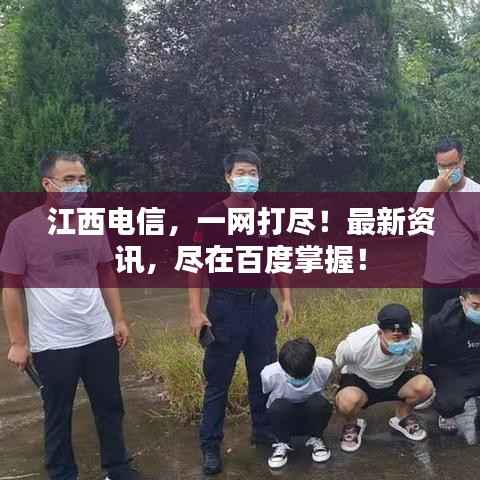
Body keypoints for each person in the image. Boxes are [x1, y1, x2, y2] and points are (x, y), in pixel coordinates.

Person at [0, 151, 142, 480]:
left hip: (98, 335)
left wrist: (118, 319)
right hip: (54, 343)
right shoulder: (22, 229)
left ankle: (117, 468)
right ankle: (62, 473)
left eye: (82, 179)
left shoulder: (92, 222)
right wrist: (18, 341)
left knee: (110, 406)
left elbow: (106, 272)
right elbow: (11, 288)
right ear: (47, 184)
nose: (78, 186)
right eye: (68, 180)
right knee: (58, 414)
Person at [188, 148, 294, 475]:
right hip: (226, 308)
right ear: (227, 177)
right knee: (218, 381)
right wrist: (195, 311)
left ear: (260, 177)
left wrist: (286, 299)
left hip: (261, 306)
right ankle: (210, 445)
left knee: (263, 376)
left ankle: (263, 431)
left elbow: (279, 259)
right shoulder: (212, 216)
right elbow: (195, 265)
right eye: (240, 173)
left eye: (252, 173)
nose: (247, 178)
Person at [414, 136, 480, 431]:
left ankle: (468, 387)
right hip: (436, 277)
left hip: (470, 278)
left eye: (453, 164)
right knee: (435, 335)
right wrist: (438, 190)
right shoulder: (427, 187)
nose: (448, 171)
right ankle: (434, 391)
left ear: (463, 161)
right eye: (442, 166)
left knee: (471, 334)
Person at [335, 304, 434, 453]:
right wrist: (342, 391)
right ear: (379, 333)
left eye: (405, 334)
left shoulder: (416, 336)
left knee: (425, 387)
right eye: (396, 338)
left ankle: (402, 416)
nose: (401, 341)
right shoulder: (355, 346)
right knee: (346, 402)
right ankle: (352, 423)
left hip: (395, 378)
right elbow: (339, 366)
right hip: (362, 382)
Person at [261, 338, 333, 469]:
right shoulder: (269, 374)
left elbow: (326, 385)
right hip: (285, 420)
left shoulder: (324, 367)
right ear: (283, 367)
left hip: (312, 416)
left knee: (320, 403)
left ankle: (316, 437)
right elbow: (266, 392)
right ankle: (282, 442)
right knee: (278, 407)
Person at [423, 288, 480, 442]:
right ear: (462, 300)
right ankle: (446, 410)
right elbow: (431, 359)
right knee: (449, 404)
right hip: (454, 369)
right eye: (475, 305)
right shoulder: (439, 323)